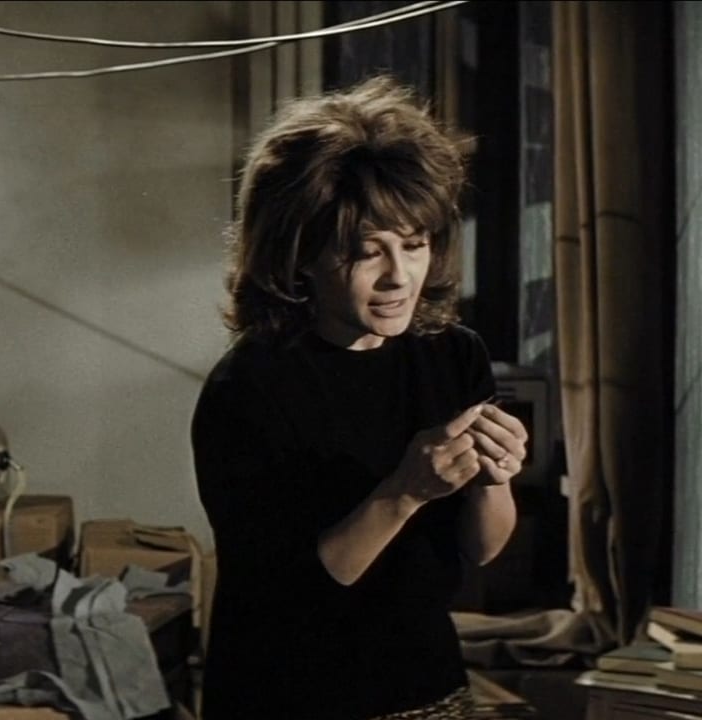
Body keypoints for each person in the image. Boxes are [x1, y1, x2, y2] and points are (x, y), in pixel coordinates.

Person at [191, 76, 527, 720]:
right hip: (289, 697)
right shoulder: (248, 389)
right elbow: (295, 594)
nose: (399, 276)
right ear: (301, 255)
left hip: (426, 683)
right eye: (367, 253)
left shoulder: (453, 355)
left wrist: (496, 479)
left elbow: (481, 549)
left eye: (415, 245)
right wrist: (403, 493)